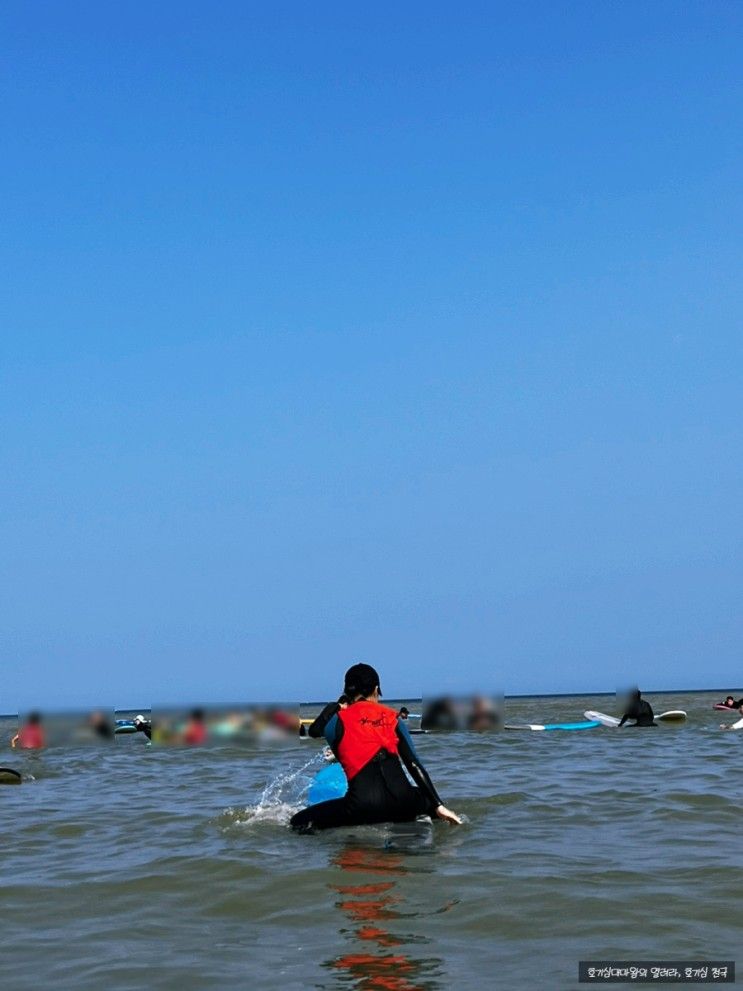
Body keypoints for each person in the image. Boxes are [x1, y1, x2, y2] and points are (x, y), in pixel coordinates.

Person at [291, 663, 462, 833]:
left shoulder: (336, 722)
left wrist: (334, 707)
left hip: (361, 808)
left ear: (346, 692)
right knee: (423, 799)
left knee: (297, 821)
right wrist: (437, 805)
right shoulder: (393, 718)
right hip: (405, 803)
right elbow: (414, 764)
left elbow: (314, 731)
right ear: (376, 689)